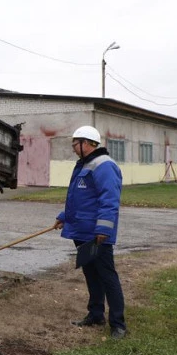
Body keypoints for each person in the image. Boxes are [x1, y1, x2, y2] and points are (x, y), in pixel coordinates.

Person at [52, 125, 126, 339]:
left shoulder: (104, 166)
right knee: (91, 274)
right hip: (82, 232)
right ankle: (95, 314)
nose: (74, 148)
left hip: (97, 234)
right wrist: (63, 216)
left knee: (107, 276)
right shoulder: (84, 165)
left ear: (86, 143)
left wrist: (103, 228)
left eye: (75, 144)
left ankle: (118, 324)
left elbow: (109, 200)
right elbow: (79, 199)